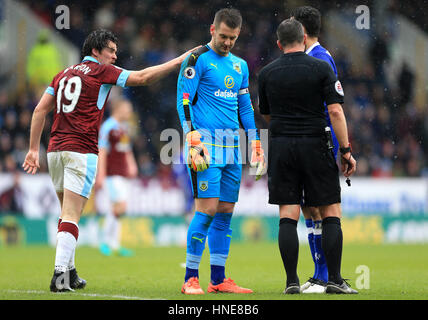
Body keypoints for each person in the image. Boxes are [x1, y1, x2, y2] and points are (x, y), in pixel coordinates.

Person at [22, 29, 199, 292]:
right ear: (95, 51)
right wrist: (180, 59)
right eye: (112, 51)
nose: (115, 57)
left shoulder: (63, 73)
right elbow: (142, 77)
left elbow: (39, 110)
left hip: (55, 150)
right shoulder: (101, 72)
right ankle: (59, 276)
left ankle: (69, 272)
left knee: (67, 214)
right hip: (81, 150)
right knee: (72, 214)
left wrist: (33, 149)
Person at [258, 18, 357, 294]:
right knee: (330, 212)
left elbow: (266, 114)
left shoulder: (266, 73)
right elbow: (336, 111)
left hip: (281, 148)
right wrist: (345, 149)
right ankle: (334, 280)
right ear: (304, 39)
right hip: (315, 145)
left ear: (278, 44)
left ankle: (292, 281)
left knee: (288, 215)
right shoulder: (321, 68)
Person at [176, 8, 265, 295]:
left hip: (232, 149)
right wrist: (191, 136)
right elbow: (184, 99)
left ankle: (218, 279)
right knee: (207, 210)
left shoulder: (240, 66)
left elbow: (245, 107)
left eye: (233, 38)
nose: (227, 43)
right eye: (224, 36)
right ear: (213, 30)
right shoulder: (196, 59)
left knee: (225, 211)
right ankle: (190, 278)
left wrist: (254, 140)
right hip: (205, 147)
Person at [291, 5, 340, 293]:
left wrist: (338, 147)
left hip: (317, 143)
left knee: (319, 210)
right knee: (310, 211)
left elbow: (331, 108)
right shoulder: (314, 57)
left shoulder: (320, 59)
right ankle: (319, 274)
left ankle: (324, 276)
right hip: (311, 142)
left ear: (303, 31)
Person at [95, 98, 138, 257]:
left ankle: (114, 244)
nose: (129, 112)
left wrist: (132, 164)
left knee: (117, 209)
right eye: (127, 109)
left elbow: (126, 149)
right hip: (112, 174)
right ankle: (104, 239)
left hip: (122, 172)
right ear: (118, 109)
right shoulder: (108, 127)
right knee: (121, 206)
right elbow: (102, 151)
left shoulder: (123, 128)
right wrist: (101, 174)